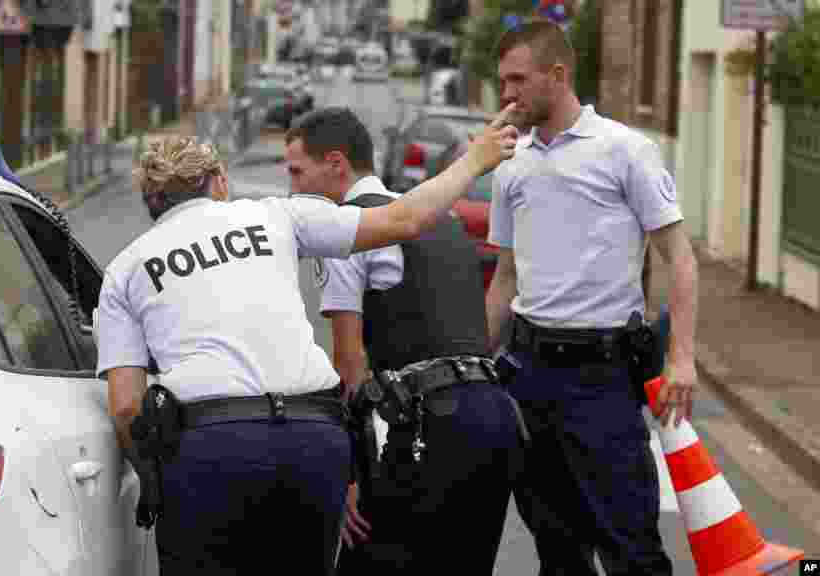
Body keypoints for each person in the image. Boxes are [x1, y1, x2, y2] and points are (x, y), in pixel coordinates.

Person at [97, 117, 518, 575]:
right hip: (311, 439)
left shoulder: (125, 268)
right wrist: (476, 159)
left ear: (151, 202)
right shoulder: (275, 213)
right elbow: (406, 218)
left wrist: (157, 479)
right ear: (219, 182)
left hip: (211, 446)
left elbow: (125, 407)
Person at [485, 19, 699, 575]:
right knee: (556, 550)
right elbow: (505, 276)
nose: (506, 94)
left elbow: (680, 256)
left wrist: (681, 356)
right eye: (501, 82)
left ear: (557, 76)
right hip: (527, 375)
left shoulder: (626, 151)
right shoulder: (510, 164)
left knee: (631, 550)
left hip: (601, 380)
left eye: (517, 80)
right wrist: (478, 363)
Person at [284, 108, 523, 574]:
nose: (292, 187)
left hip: (431, 428)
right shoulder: (444, 220)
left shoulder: (348, 229)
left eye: (296, 171)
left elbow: (349, 362)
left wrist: (349, 472)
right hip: (494, 419)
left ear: (336, 164)